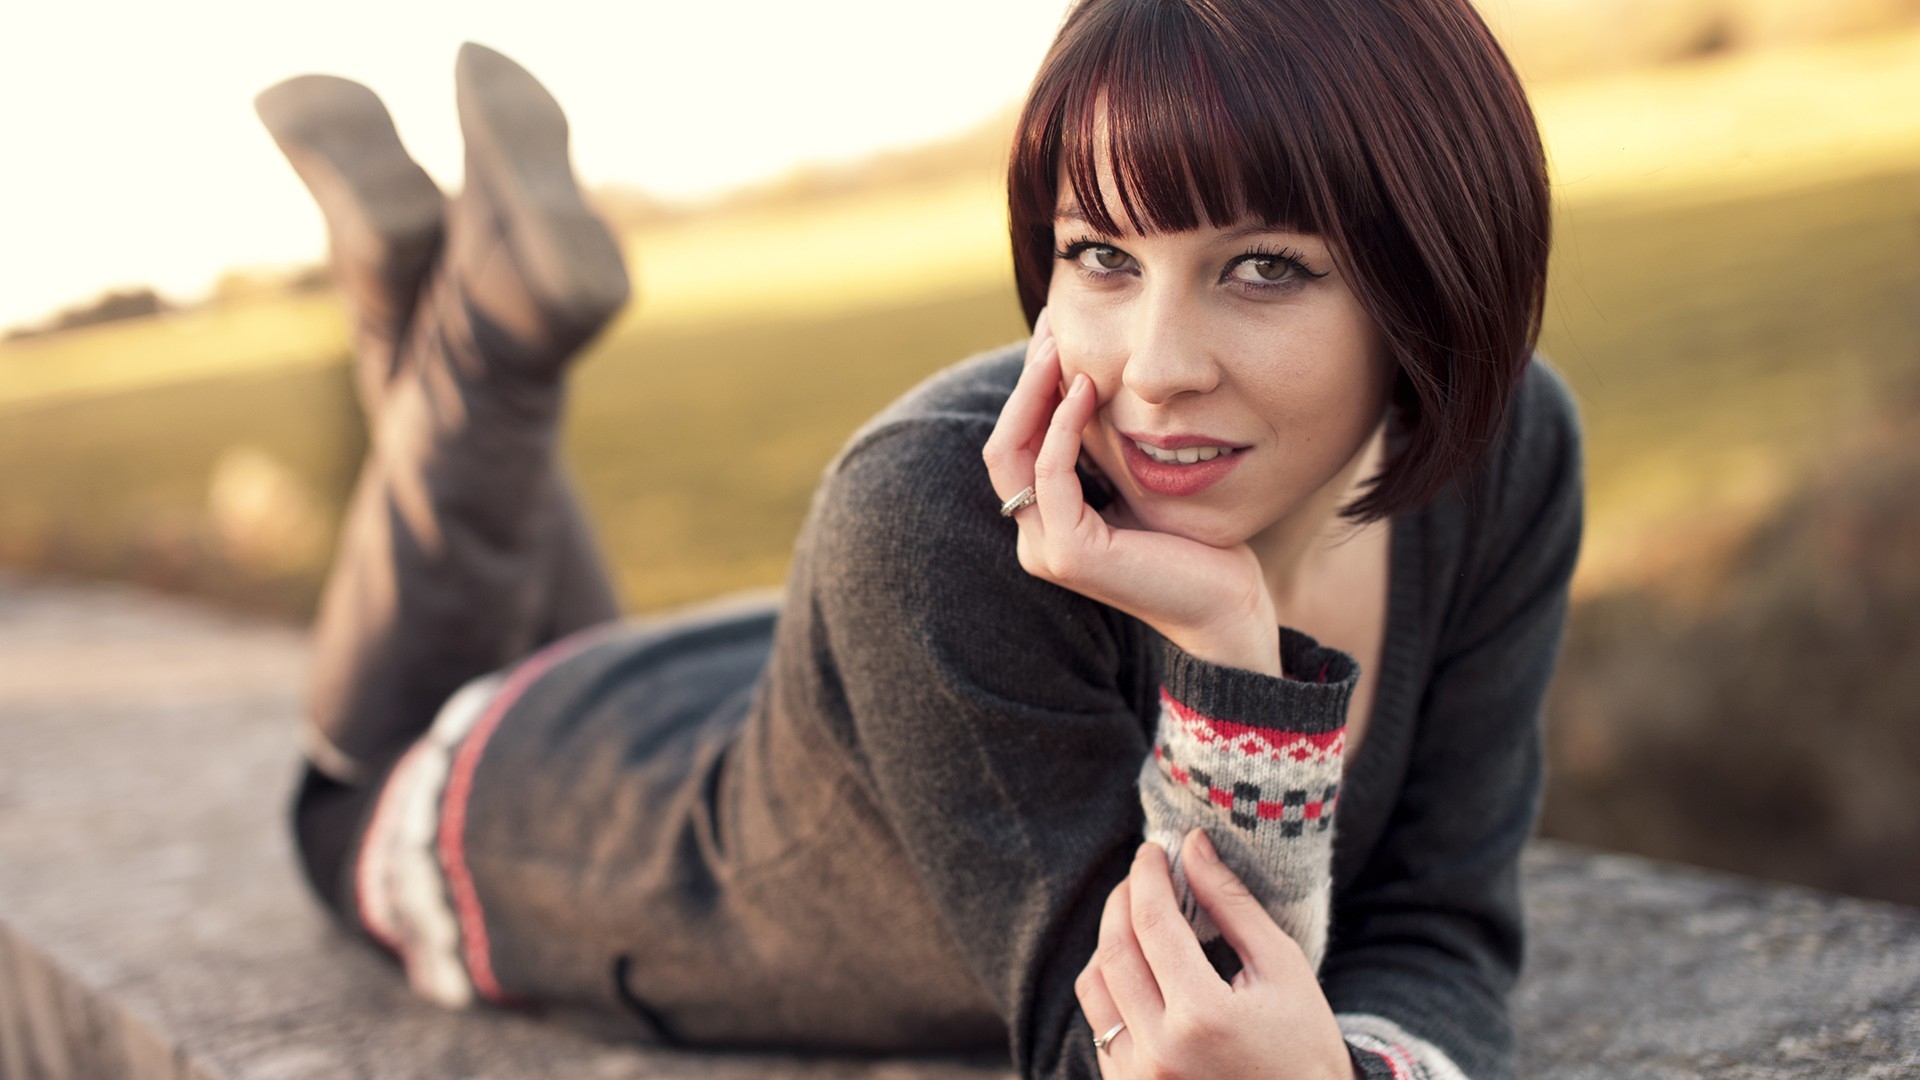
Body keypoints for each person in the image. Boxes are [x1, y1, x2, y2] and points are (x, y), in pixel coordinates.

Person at [261, 1, 1578, 1077]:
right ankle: (462, 335)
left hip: (760, 698)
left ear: (1432, 270)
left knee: (572, 646)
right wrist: (1233, 650)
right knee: (363, 772)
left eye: (1268, 266)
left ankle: (444, 309)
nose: (1155, 371)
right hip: (554, 815)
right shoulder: (933, 514)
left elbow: (1440, 933)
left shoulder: (1509, 448)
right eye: (1102, 256)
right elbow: (1129, 1050)